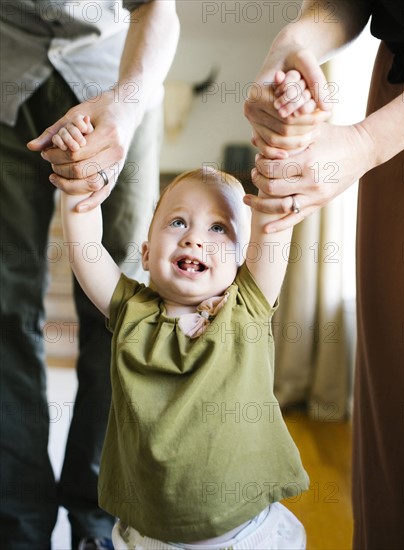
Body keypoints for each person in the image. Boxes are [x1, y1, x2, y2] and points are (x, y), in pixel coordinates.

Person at [52, 96, 314, 548]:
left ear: (242, 259)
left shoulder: (246, 307)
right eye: (177, 222)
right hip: (150, 535)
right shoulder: (131, 311)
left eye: (219, 229)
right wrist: (77, 187)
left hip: (244, 535)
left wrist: (281, 148)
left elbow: (273, 225)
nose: (195, 236)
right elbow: (86, 250)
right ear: (148, 253)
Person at [0, 1, 179, 549]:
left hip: (118, 83)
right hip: (5, 77)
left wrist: (124, 109)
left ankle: (98, 521)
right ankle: (17, 526)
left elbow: (157, 8)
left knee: (123, 313)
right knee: (4, 307)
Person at [243, 1, 404, 548]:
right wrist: (290, 47)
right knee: (396, 397)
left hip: (393, 127)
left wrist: (366, 142)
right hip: (400, 88)